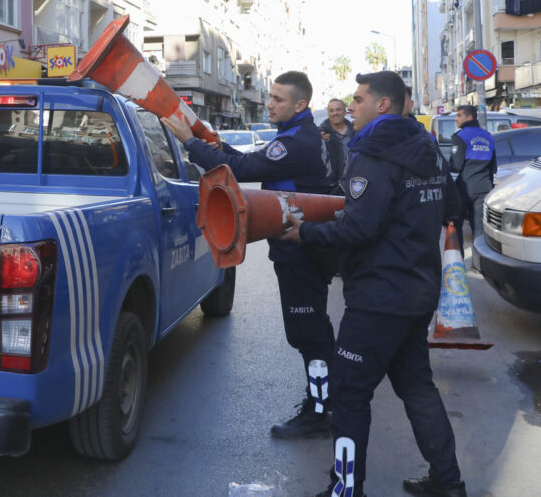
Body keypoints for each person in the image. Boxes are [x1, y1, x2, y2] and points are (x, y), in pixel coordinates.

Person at [279, 71, 465, 497]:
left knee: (348, 394)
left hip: (379, 299)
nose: (351, 106)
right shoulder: (429, 149)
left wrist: (304, 233)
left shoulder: (373, 154)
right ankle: (449, 485)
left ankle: (345, 490)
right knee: (416, 386)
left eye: (359, 99)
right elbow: (454, 207)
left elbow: (358, 229)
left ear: (383, 105)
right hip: (417, 293)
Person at [163, 71, 337, 439]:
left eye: (277, 99)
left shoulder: (296, 142)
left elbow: (243, 171)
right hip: (305, 245)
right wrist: (211, 143)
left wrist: (190, 144)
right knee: (311, 332)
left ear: (300, 105)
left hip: (300, 250)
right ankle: (322, 402)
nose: (270, 103)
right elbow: (251, 160)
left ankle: (322, 410)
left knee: (310, 334)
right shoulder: (299, 135)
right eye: (270, 97)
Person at [450, 105, 496, 238]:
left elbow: (456, 166)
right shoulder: (488, 137)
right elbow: (493, 167)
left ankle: (458, 258)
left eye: (459, 115)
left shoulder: (460, 136)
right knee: (479, 229)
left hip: (464, 189)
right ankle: (479, 258)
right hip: (484, 188)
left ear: (469, 117)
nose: (455, 119)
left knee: (455, 225)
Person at [319, 98, 354, 193]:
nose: (335, 113)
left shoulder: (356, 133)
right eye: (331, 110)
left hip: (351, 186)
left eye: (338, 109)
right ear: (328, 113)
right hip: (328, 188)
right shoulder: (319, 134)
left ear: (345, 112)